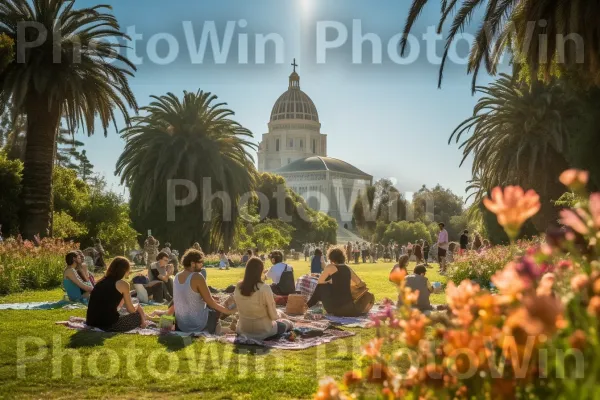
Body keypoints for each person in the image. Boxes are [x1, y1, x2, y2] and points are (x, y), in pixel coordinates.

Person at [169, 249, 234, 333]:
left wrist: (207, 299)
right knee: (227, 304)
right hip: (197, 324)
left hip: (181, 324)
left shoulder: (177, 276)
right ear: (193, 263)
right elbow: (211, 303)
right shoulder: (197, 276)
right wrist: (227, 311)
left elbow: (186, 297)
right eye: (200, 262)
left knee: (215, 303)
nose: (202, 264)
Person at [234, 257, 294, 340]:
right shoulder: (264, 288)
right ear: (261, 271)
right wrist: (279, 314)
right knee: (288, 323)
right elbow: (273, 316)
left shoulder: (238, 287)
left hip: (243, 329)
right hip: (264, 331)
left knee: (280, 315)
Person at [306, 247, 374, 317]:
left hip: (334, 309)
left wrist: (329, 281)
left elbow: (320, 281)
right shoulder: (348, 268)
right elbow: (359, 283)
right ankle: (308, 304)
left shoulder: (330, 267)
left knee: (321, 285)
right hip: (349, 308)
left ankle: (308, 305)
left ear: (331, 258)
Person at [86, 257, 147, 332]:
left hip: (91, 322)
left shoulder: (100, 282)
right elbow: (131, 310)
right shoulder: (123, 284)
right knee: (138, 316)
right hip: (109, 325)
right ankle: (144, 321)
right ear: (125, 270)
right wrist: (138, 307)